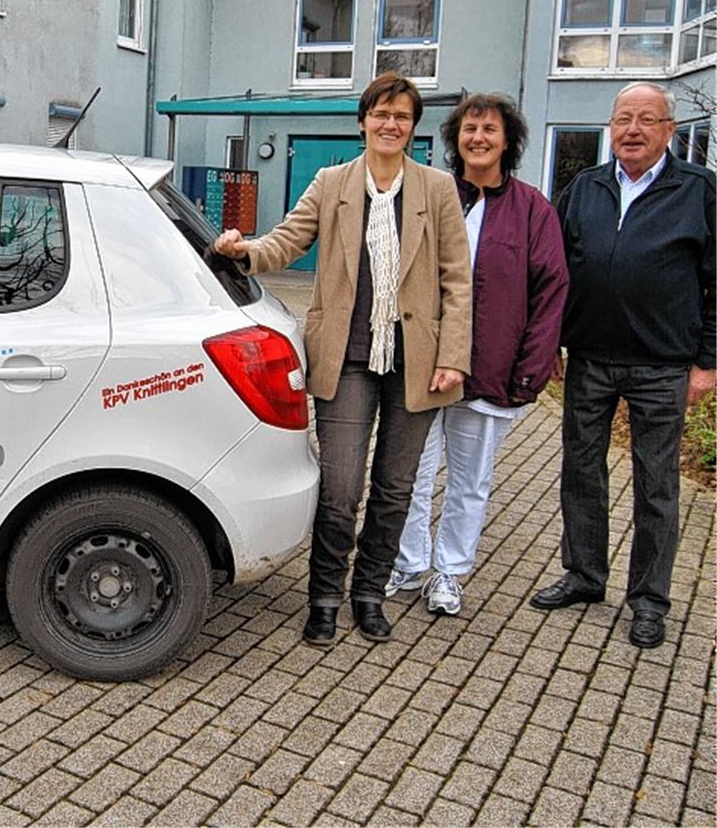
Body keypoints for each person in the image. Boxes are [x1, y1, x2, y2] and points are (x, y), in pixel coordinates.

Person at [212, 72, 471, 645]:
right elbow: (286, 240)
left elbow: (457, 278)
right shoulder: (332, 183)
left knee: (396, 488)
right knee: (340, 488)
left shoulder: (437, 190)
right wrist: (244, 251)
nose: (390, 123)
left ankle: (370, 595)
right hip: (347, 359)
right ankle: (325, 598)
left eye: (402, 116)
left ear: (412, 127)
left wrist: (454, 354)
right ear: (362, 121)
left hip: (417, 362)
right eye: (381, 113)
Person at [529, 81, 715, 649]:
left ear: (669, 131)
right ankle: (585, 576)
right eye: (624, 119)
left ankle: (649, 599)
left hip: (663, 364)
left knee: (655, 484)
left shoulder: (700, 191)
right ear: (610, 128)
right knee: (581, 473)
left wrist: (707, 362)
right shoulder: (584, 187)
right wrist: (551, 340)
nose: (633, 130)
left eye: (647, 119)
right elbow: (555, 272)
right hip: (590, 358)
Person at [386, 94, 569, 616]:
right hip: (421, 365)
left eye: (489, 129)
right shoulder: (431, 193)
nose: (478, 138)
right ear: (455, 139)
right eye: (469, 129)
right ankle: (409, 560)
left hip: (491, 369)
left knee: (470, 481)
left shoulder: (533, 209)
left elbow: (550, 290)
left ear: (507, 141)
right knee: (412, 474)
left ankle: (449, 571)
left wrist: (530, 372)